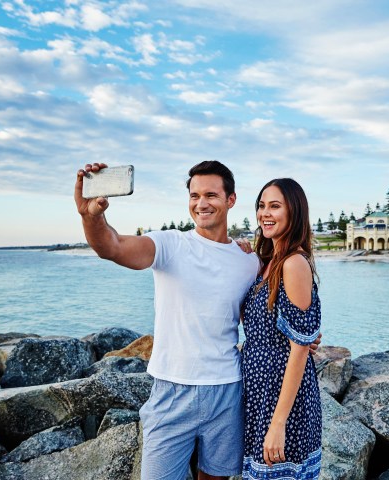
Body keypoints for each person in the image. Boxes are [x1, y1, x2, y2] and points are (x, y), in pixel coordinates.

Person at [75, 160, 260, 480]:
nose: (201, 203)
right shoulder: (171, 244)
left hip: (227, 390)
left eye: (211, 195)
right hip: (171, 391)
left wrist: (304, 337)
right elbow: (112, 247)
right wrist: (91, 216)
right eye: (194, 196)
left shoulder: (248, 260)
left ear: (230, 200)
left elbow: (260, 316)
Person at [240, 178, 322, 479]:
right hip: (259, 393)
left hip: (282, 398)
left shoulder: (293, 263)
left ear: (294, 212)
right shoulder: (265, 261)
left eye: (275, 206)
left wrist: (278, 424)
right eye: (261, 206)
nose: (265, 214)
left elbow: (300, 347)